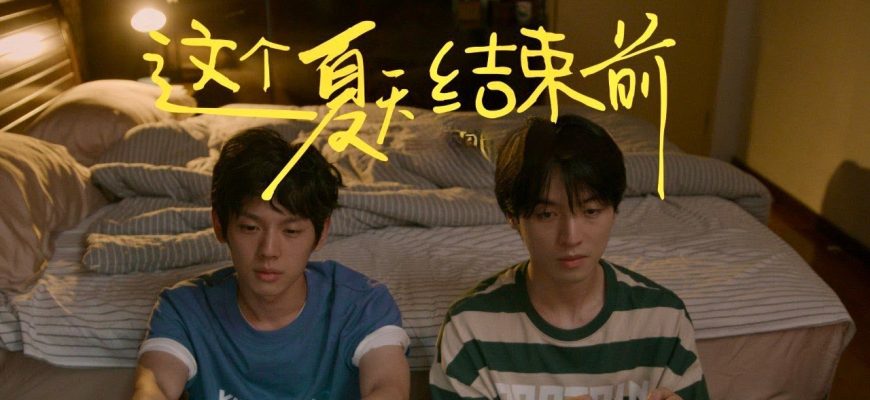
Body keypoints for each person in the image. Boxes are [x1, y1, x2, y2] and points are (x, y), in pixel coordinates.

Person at [430, 115, 709, 400]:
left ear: (614, 210)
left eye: (591, 211)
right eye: (546, 215)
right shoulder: (469, 327)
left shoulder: (665, 319)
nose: (571, 237)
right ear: (513, 217)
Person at [132, 129, 410, 400]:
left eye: (291, 231)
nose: (268, 251)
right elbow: (154, 388)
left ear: (322, 232)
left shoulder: (362, 305)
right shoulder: (184, 308)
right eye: (250, 228)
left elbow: (388, 388)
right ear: (219, 225)